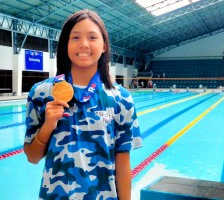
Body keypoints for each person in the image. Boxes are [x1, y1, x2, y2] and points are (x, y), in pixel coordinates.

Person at [23, 9, 142, 200]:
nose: (84, 44)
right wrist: (48, 126)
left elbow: (122, 161)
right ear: (65, 45)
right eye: (75, 37)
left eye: (92, 37)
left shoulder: (122, 98)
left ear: (104, 45)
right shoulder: (41, 93)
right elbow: (32, 157)